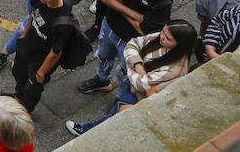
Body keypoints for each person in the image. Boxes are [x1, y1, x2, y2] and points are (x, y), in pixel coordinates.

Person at [65, 20, 197, 136]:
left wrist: (132, 65)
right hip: (132, 86)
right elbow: (132, 44)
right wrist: (140, 68)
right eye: (163, 31)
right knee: (116, 109)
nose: (162, 36)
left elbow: (140, 84)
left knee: (114, 117)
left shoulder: (174, 69)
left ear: (180, 44)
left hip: (139, 97)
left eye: (168, 38)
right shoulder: (160, 38)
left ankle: (87, 132)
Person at [77, 0, 172, 95]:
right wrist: (138, 16)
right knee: (103, 56)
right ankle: (101, 80)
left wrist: (119, 5)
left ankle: (121, 97)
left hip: (132, 42)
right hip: (109, 27)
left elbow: (146, 30)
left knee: (125, 72)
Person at [3, 0, 76, 113]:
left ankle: (25, 110)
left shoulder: (63, 22)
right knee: (18, 73)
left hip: (40, 61)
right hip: (27, 46)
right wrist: (24, 34)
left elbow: (56, 52)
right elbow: (33, 13)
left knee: (32, 90)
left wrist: (41, 73)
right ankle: (18, 96)